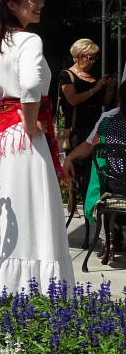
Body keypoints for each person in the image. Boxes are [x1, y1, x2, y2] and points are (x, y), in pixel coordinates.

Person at [0, 0, 75, 293]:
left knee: (0, 217)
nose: (40, 3)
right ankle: (34, 294)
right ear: (12, 3)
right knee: (32, 214)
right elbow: (30, 85)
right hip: (24, 139)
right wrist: (30, 123)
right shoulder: (30, 40)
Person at [64, 80, 126, 264]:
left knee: (97, 179)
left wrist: (69, 158)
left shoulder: (107, 123)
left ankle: (108, 237)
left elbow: (93, 147)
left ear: (120, 100)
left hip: (112, 189)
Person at [58, 38, 115, 217]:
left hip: (94, 126)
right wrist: (95, 88)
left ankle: (91, 200)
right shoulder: (67, 75)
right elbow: (72, 99)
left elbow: (103, 103)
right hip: (76, 128)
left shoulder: (94, 76)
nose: (92, 62)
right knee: (73, 165)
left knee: (94, 166)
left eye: (95, 58)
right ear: (78, 56)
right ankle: (72, 203)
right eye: (89, 58)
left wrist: (109, 90)